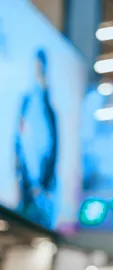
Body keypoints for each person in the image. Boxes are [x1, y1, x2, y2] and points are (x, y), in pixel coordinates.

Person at [14, 48, 58, 228]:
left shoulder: (46, 108)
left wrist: (42, 184)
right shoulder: (27, 102)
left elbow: (52, 146)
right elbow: (20, 144)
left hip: (39, 182)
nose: (38, 72)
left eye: (41, 68)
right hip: (29, 182)